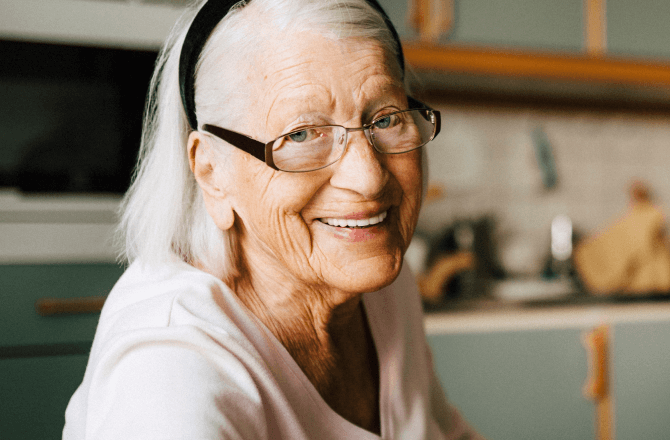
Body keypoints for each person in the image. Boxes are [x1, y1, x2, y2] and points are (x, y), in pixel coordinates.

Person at [63, 0, 484, 438]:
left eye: (386, 118)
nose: (369, 178)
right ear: (212, 172)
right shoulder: (167, 375)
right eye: (301, 134)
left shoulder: (381, 284)